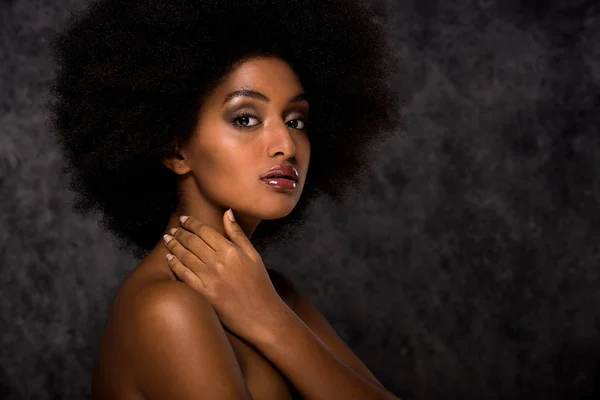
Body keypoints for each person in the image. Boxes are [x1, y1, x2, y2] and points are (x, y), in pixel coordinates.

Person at [46, 0, 403, 398]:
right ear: (176, 149)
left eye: (296, 120)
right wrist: (268, 317)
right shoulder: (169, 309)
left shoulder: (271, 293)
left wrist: (268, 317)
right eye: (245, 119)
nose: (286, 144)